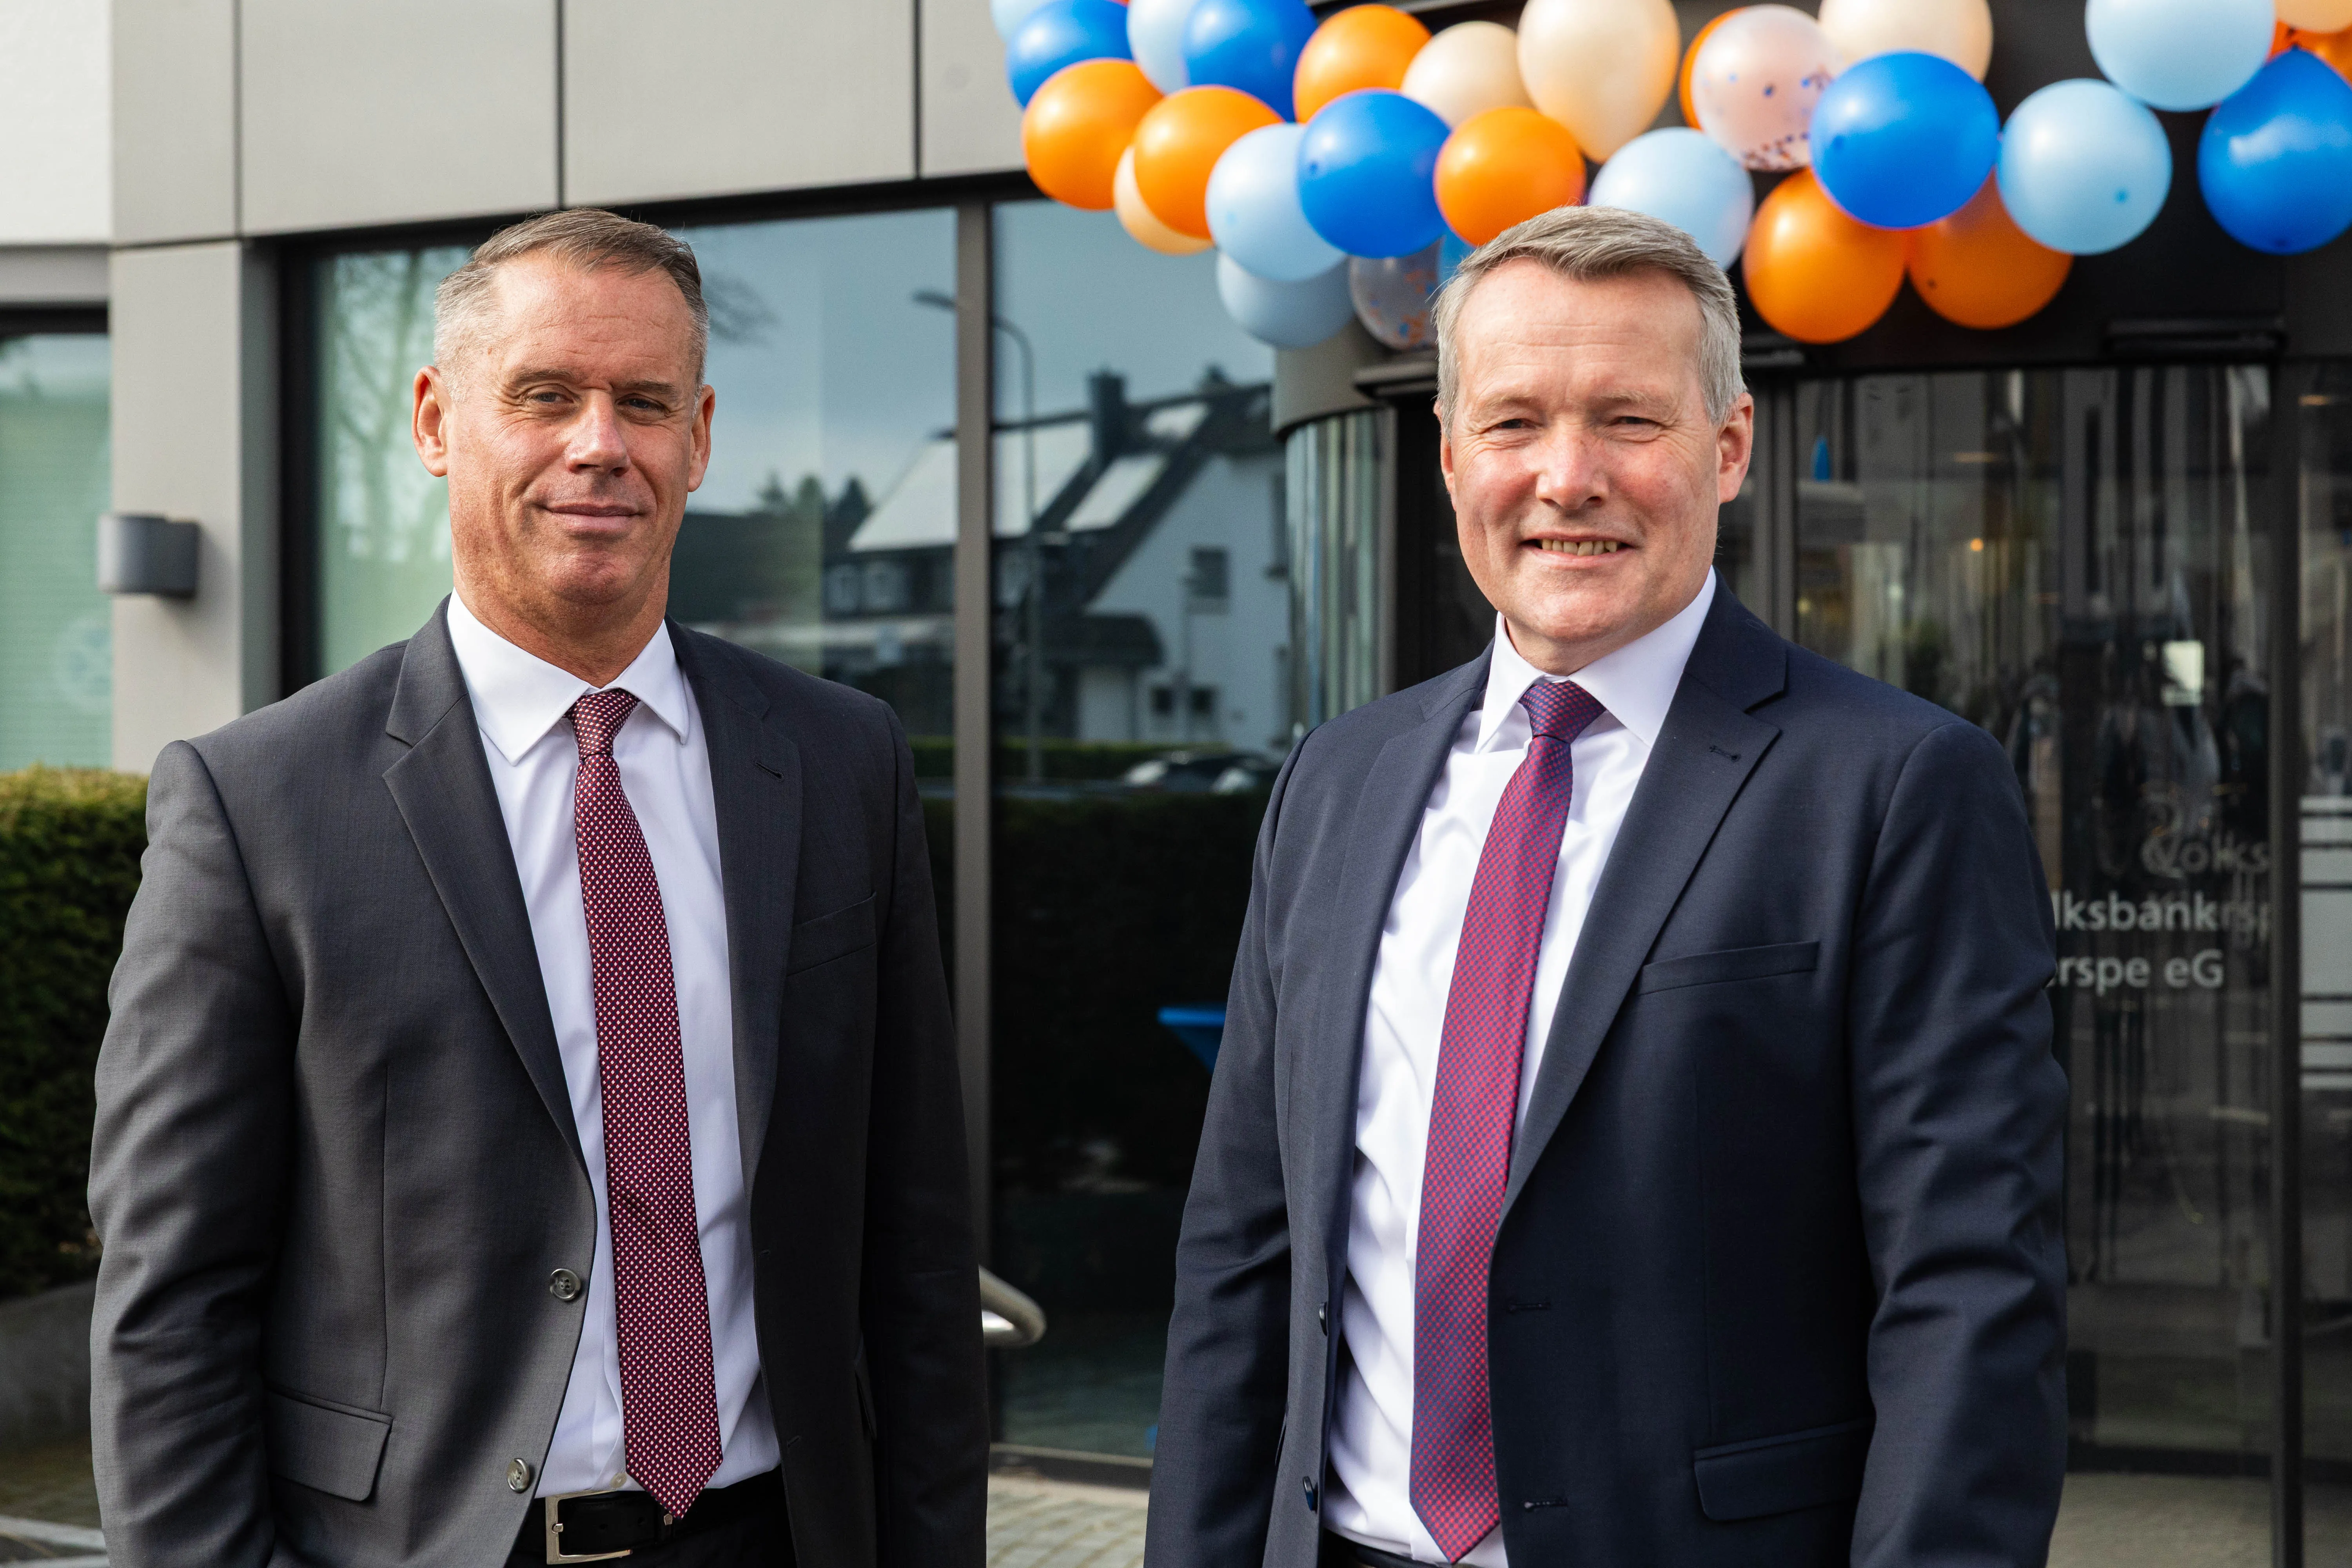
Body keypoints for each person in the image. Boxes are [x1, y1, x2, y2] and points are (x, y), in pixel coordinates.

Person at [1145, 205, 2066, 1568]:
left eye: (1629, 421)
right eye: (1514, 423)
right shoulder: (1337, 782)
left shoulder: (1896, 786)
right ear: (1454, 456)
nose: (1568, 478)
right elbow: (1243, 1251)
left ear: (1729, 446)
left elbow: (1969, 1296)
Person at [88, 208, 986, 1568]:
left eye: (644, 403)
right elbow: (171, 1303)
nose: (599, 446)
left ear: (699, 435)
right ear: (441, 421)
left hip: (776, 1536)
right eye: (546, 396)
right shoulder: (259, 805)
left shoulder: (836, 759)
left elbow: (912, 1246)